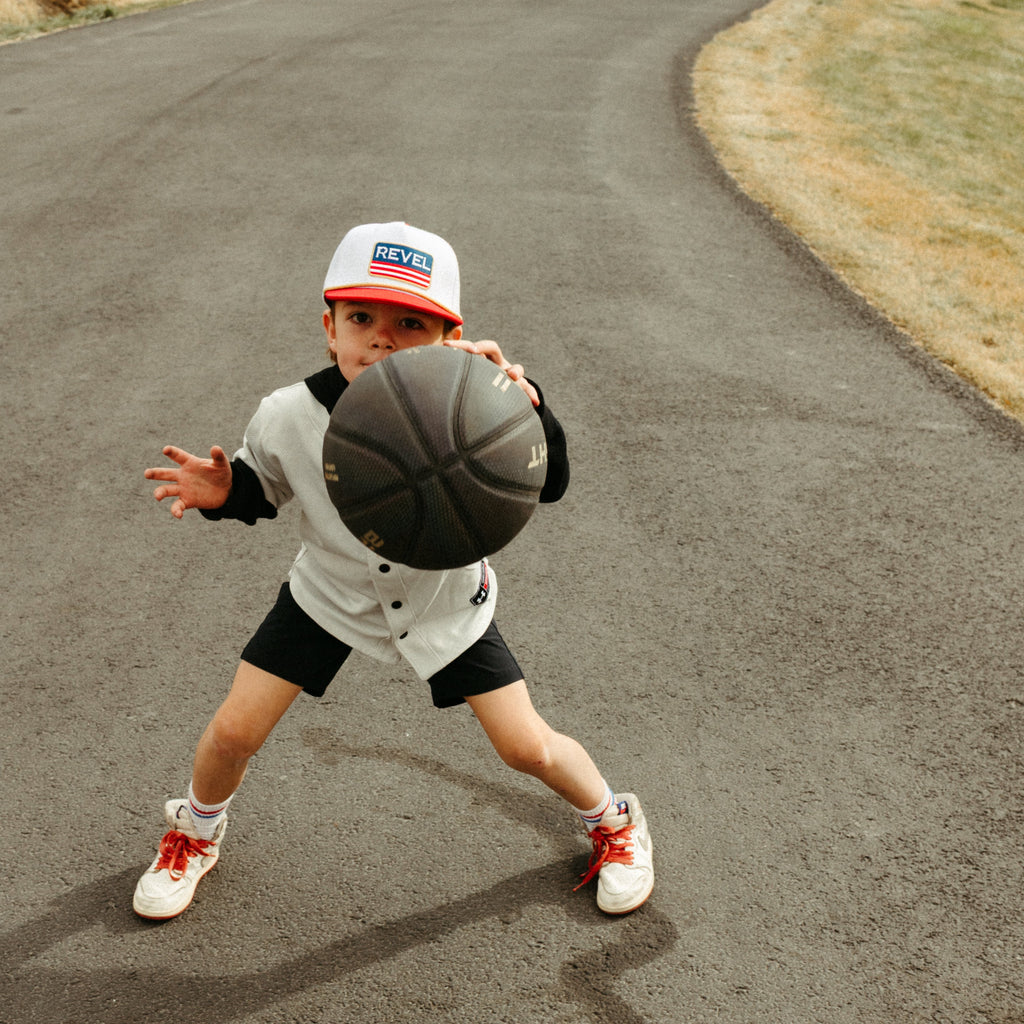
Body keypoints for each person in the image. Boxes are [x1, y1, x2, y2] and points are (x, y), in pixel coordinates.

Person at [133, 222, 653, 920]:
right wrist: (227, 495)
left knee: (525, 746)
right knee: (233, 732)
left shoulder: (478, 408)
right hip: (328, 594)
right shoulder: (287, 413)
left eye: (410, 322)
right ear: (329, 328)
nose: (381, 337)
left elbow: (549, 482)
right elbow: (266, 488)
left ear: (449, 337)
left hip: (445, 604)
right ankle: (194, 833)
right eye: (361, 318)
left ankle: (616, 823)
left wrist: (527, 405)